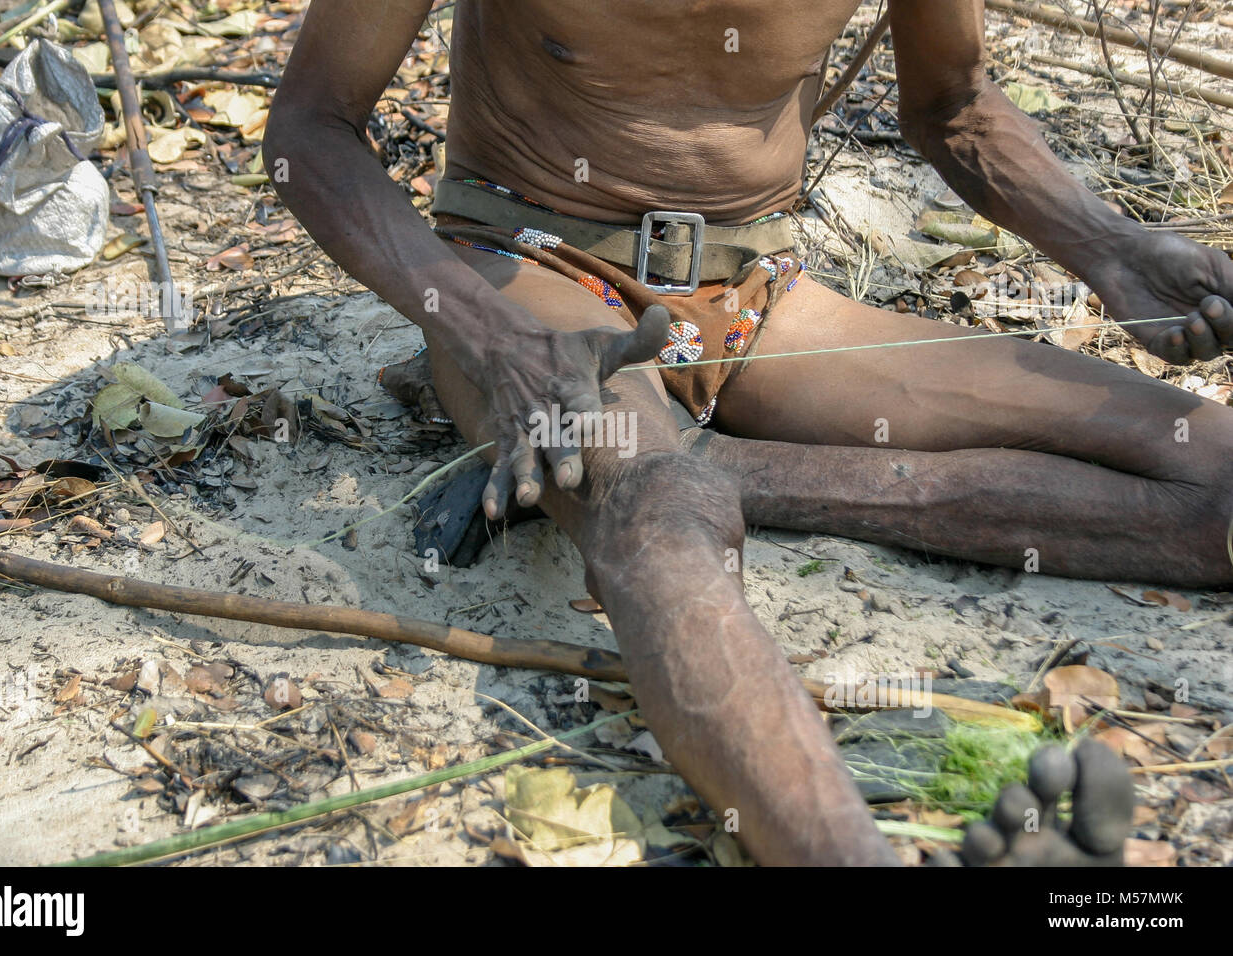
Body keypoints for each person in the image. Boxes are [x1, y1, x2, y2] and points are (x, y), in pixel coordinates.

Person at [263, 0, 1228, 864]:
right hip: (534, 276)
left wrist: (1114, 247)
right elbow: (311, 127)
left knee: (1216, 478)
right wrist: (486, 333)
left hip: (763, 294)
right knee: (652, 514)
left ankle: (730, 471)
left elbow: (955, 103)